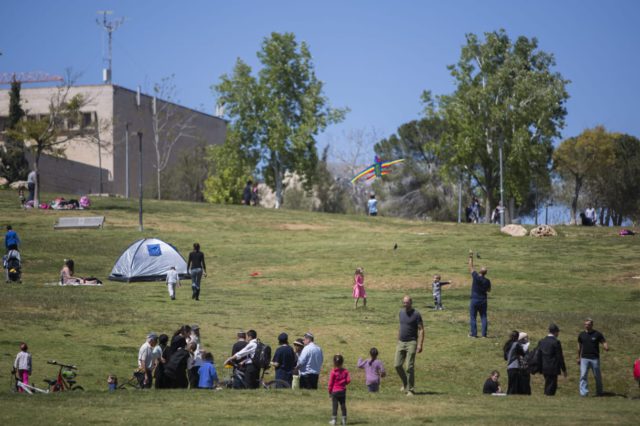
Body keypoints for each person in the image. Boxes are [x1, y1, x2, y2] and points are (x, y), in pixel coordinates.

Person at [394, 295, 424, 396]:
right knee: (397, 365)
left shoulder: (416, 314)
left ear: (411, 303)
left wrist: (420, 344)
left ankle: (411, 389)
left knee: (409, 367)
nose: (405, 304)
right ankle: (405, 382)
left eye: (407, 302)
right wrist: (398, 340)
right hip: (401, 342)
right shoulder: (401, 312)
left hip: (412, 342)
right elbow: (400, 326)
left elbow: (421, 329)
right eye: (404, 302)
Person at [578, 318, 609, 397]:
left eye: (588, 324)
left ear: (592, 325)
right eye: (585, 324)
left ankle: (599, 392)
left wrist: (605, 346)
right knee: (583, 375)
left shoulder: (597, 334)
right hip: (584, 358)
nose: (586, 326)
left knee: (597, 376)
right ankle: (584, 393)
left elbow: (603, 341)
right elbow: (579, 347)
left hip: (594, 358)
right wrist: (579, 357)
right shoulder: (581, 335)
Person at [538, 323, 567, 396]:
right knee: (552, 386)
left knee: (548, 383)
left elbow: (539, 355)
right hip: (553, 367)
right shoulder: (556, 342)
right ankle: (547, 398)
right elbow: (560, 357)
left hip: (544, 366)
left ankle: (546, 395)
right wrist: (564, 369)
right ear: (555, 332)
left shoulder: (542, 341)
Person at [468, 251, 491, 338]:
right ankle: (484, 335)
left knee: (473, 317)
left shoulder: (476, 277)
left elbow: (470, 267)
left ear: (480, 271)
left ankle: (474, 334)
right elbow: (489, 290)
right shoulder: (487, 281)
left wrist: (470, 256)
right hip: (483, 300)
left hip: (474, 299)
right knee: (483, 317)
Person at [503, 330, 530, 395]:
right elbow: (522, 353)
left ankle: (509, 395)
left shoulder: (507, 344)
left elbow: (505, 357)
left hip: (509, 366)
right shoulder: (516, 344)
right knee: (514, 385)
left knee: (510, 384)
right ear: (517, 337)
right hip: (515, 365)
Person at [328, 354, 351, 426]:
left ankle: (334, 420)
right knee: (343, 405)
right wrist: (344, 383)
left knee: (335, 406)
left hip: (335, 391)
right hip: (342, 391)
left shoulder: (333, 372)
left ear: (334, 362)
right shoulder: (345, 371)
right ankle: (344, 420)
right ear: (342, 362)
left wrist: (329, 392)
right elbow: (348, 380)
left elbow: (330, 383)